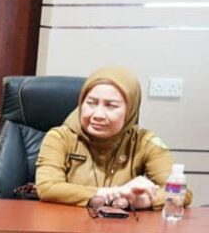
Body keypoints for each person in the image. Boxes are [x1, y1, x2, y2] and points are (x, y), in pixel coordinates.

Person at [35, 65, 193, 210]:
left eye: (111, 106)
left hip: (122, 228)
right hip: (67, 224)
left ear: (130, 110)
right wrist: (112, 193)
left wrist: (145, 200)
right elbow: (47, 187)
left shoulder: (144, 142)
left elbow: (182, 192)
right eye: (91, 103)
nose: (98, 114)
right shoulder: (60, 137)